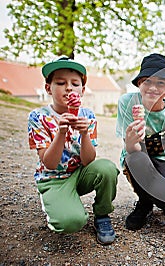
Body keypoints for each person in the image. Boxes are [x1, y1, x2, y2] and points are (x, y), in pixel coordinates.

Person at [28, 56, 119, 245]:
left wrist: (85, 133)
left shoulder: (88, 116)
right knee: (72, 222)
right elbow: (49, 163)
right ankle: (58, 203)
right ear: (48, 88)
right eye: (60, 83)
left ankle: (102, 215)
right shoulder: (38, 117)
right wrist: (61, 132)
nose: (68, 87)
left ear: (82, 90)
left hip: (79, 173)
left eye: (75, 83)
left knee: (107, 168)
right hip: (53, 179)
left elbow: (88, 161)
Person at [116, 53, 165, 230]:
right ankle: (144, 204)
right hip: (136, 156)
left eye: (160, 83)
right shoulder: (127, 102)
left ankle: (160, 200)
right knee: (136, 159)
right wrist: (132, 139)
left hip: (164, 161)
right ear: (139, 83)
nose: (152, 88)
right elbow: (131, 148)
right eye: (147, 81)